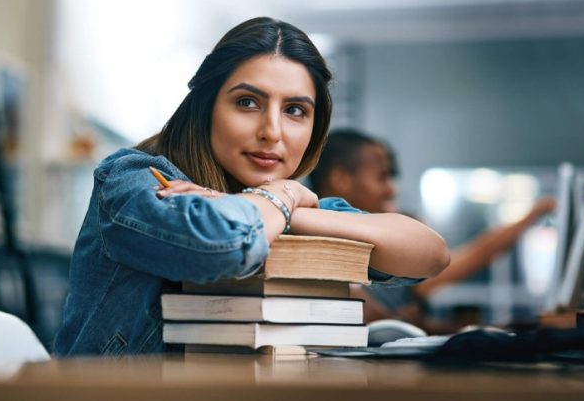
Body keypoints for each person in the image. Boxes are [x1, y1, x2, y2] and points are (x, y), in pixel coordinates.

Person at [53, 18, 450, 356]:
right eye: (247, 102)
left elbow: (429, 254)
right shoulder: (132, 179)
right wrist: (280, 196)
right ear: (206, 106)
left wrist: (287, 207)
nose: (272, 132)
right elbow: (223, 243)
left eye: (295, 110)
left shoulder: (283, 208)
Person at [309, 128, 556, 331]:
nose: (392, 190)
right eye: (382, 177)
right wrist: (537, 211)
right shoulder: (315, 248)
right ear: (341, 178)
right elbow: (472, 256)